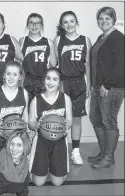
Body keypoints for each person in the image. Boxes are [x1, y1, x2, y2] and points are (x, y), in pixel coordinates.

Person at [53, 11, 92, 165]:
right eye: (65, 22)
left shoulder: (86, 40)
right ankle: (58, 150)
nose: (69, 25)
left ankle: (75, 151)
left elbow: (87, 65)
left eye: (72, 21)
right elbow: (53, 63)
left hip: (79, 83)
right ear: (62, 25)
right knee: (61, 118)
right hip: (63, 83)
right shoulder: (58, 40)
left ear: (77, 22)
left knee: (76, 119)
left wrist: (89, 84)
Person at [88, 7, 124, 169]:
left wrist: (107, 85)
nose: (103, 21)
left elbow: (121, 65)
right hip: (98, 87)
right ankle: (104, 153)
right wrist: (93, 84)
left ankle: (108, 157)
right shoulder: (102, 37)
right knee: (96, 119)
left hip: (111, 88)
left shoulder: (118, 38)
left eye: (107, 18)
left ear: (113, 19)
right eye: (101, 18)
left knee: (108, 122)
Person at [29, 67, 72, 186]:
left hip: (59, 141)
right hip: (41, 141)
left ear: (59, 83)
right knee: (38, 183)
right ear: (44, 80)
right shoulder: (36, 100)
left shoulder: (65, 99)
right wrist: (36, 125)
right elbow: (31, 122)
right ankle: (36, 165)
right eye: (48, 78)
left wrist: (65, 124)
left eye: (55, 79)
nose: (50, 82)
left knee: (57, 182)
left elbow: (70, 120)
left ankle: (57, 166)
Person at [0, 61, 29, 148]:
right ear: (4, 75)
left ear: (20, 77)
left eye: (15, 74)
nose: (11, 78)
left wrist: (25, 129)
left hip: (18, 138)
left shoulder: (24, 93)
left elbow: (25, 117)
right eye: (8, 74)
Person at [19, 13, 57, 103]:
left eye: (37, 23)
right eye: (31, 23)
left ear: (42, 25)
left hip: (43, 82)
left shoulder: (49, 42)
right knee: (27, 110)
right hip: (27, 81)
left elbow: (54, 64)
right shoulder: (22, 41)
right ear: (27, 25)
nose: (34, 25)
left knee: (41, 110)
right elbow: (18, 63)